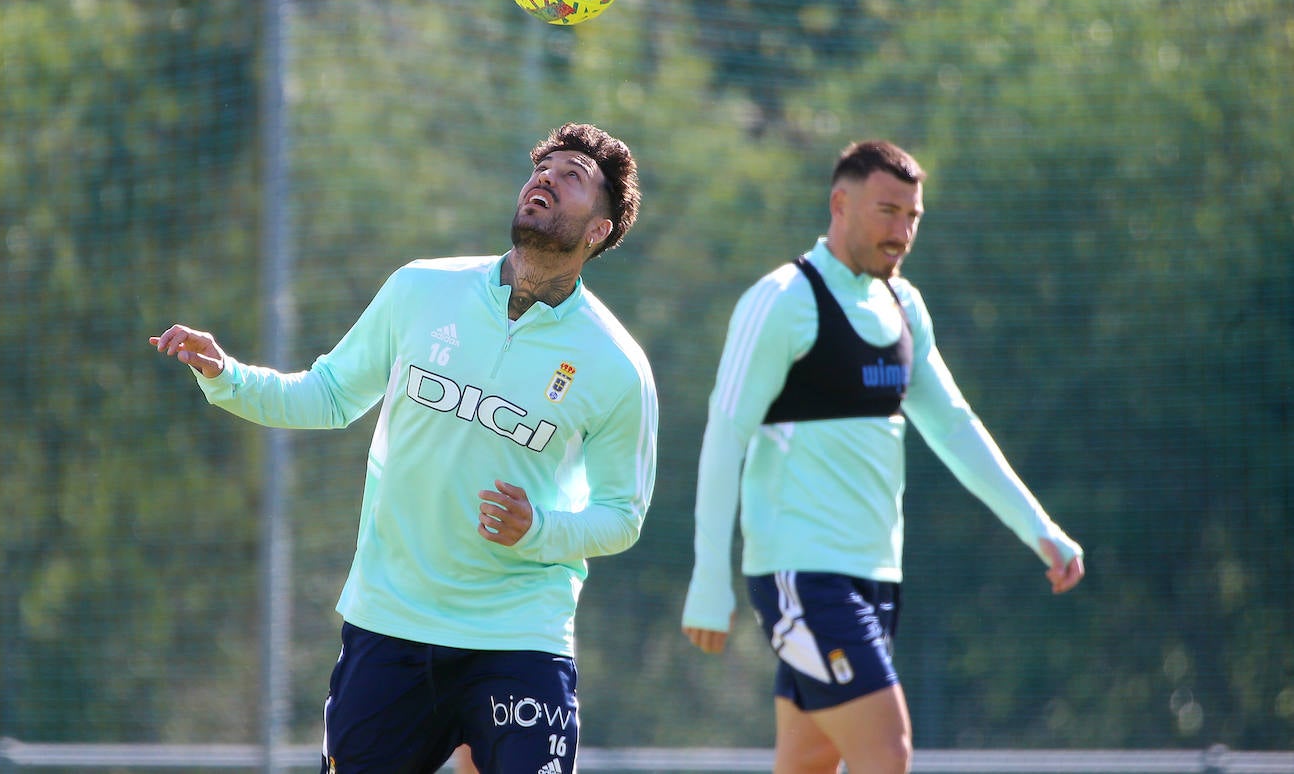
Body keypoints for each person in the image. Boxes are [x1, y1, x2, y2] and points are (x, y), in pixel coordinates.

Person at [151, 122, 658, 774]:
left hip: (518, 636)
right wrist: (226, 375)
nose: (545, 180)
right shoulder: (423, 289)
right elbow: (329, 396)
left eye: (571, 177)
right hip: (391, 623)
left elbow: (622, 515)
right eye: (544, 167)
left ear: (599, 230)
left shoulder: (615, 364)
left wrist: (539, 529)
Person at [680, 140, 1084, 774]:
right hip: (802, 578)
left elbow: (954, 428)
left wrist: (1039, 528)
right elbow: (725, 436)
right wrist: (709, 578)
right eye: (887, 212)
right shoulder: (784, 299)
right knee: (886, 750)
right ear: (840, 204)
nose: (902, 232)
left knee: (808, 762)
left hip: (876, 581)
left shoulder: (903, 307)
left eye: (912, 217)